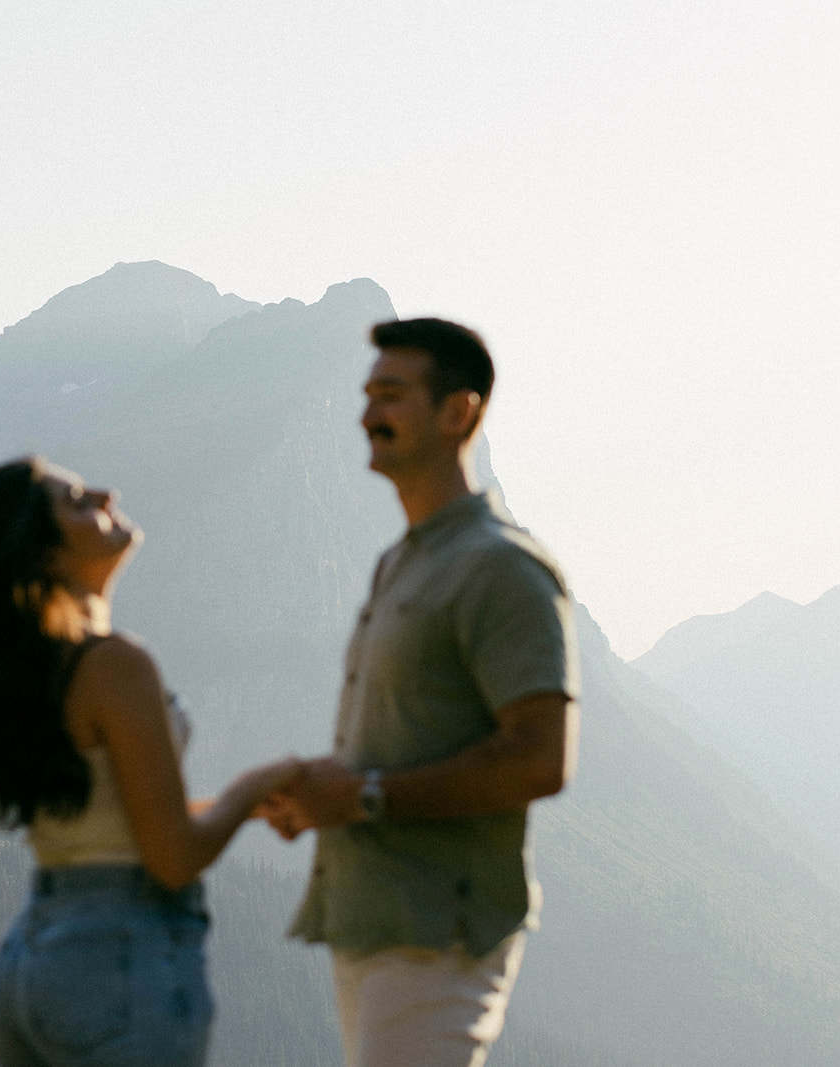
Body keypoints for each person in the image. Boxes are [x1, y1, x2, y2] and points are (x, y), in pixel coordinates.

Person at [260, 318, 580, 1067]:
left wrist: (364, 794)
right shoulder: (399, 562)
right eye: (369, 393)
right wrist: (322, 790)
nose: (369, 414)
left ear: (459, 412)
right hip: (369, 921)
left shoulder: (503, 569)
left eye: (392, 395)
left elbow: (540, 760)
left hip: (441, 929)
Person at [0, 457, 300, 1067]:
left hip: (31, 960)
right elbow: (173, 858)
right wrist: (260, 781)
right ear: (47, 556)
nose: (107, 493)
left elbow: (111, 823)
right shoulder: (116, 665)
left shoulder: (28, 674)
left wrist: (242, 809)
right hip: (121, 959)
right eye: (76, 501)